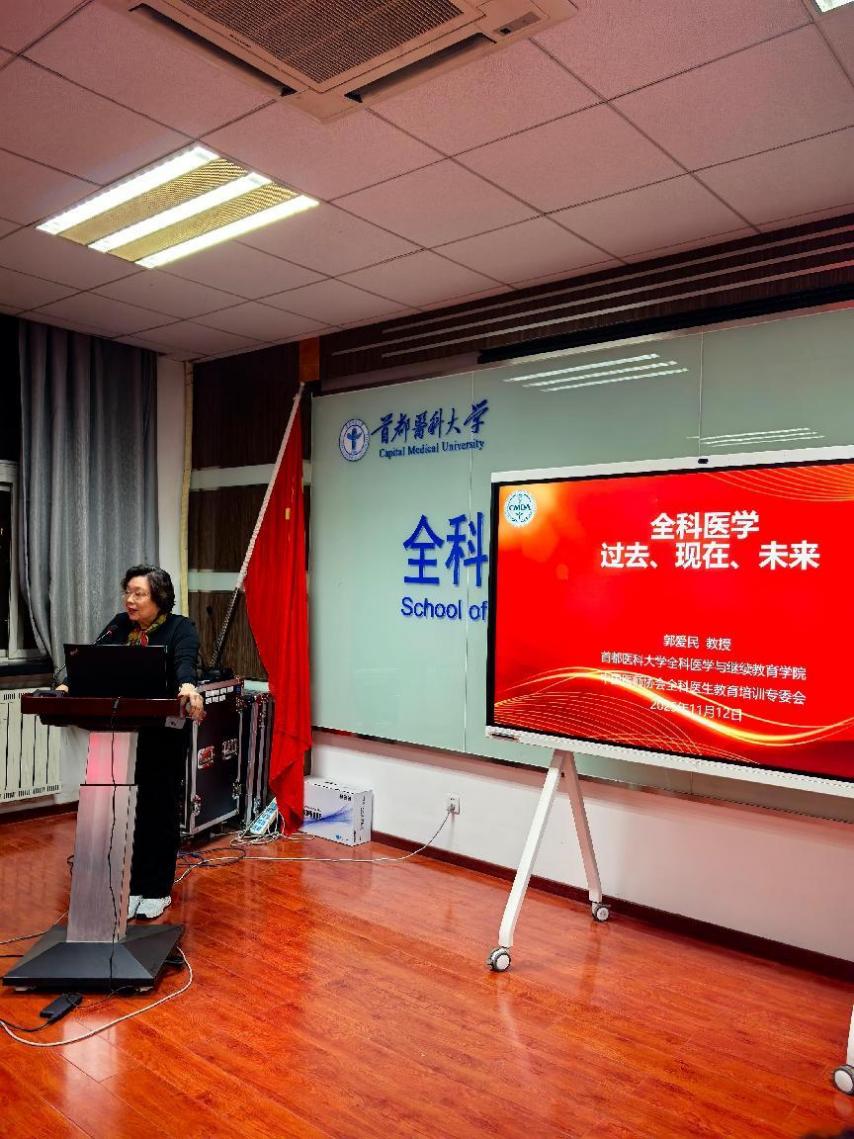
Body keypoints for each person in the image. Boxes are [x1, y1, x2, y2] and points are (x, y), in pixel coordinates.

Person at [61, 565, 205, 920]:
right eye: (128, 592)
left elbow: (185, 665)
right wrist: (67, 685)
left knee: (159, 809)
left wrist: (187, 686)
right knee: (127, 810)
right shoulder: (119, 626)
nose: (130, 600)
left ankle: (156, 888)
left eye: (139, 593)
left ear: (159, 597)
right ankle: (133, 885)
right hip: (122, 732)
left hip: (162, 734)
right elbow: (92, 660)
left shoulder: (180, 628)